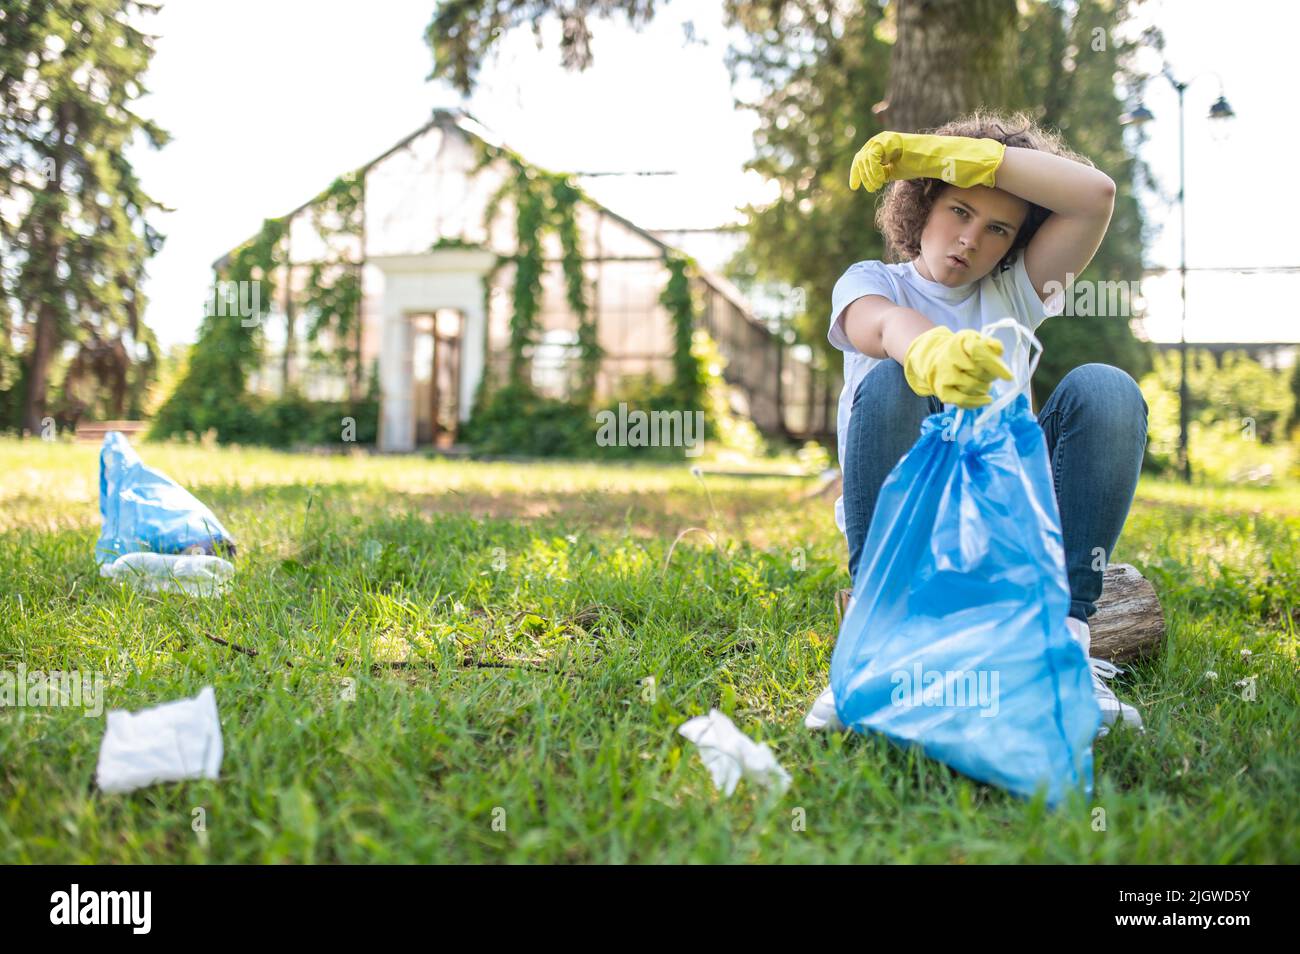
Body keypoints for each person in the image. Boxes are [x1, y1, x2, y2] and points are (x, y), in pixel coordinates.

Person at [827, 111, 1147, 736]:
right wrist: (929, 351)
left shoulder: (1014, 295)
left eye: (998, 228)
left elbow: (1095, 196)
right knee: (894, 376)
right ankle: (875, 648)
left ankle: (1063, 646)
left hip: (1007, 540)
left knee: (1106, 390)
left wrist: (951, 154)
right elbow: (884, 325)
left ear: (1014, 244)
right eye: (959, 211)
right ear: (921, 208)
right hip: (910, 540)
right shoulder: (869, 281)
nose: (971, 238)